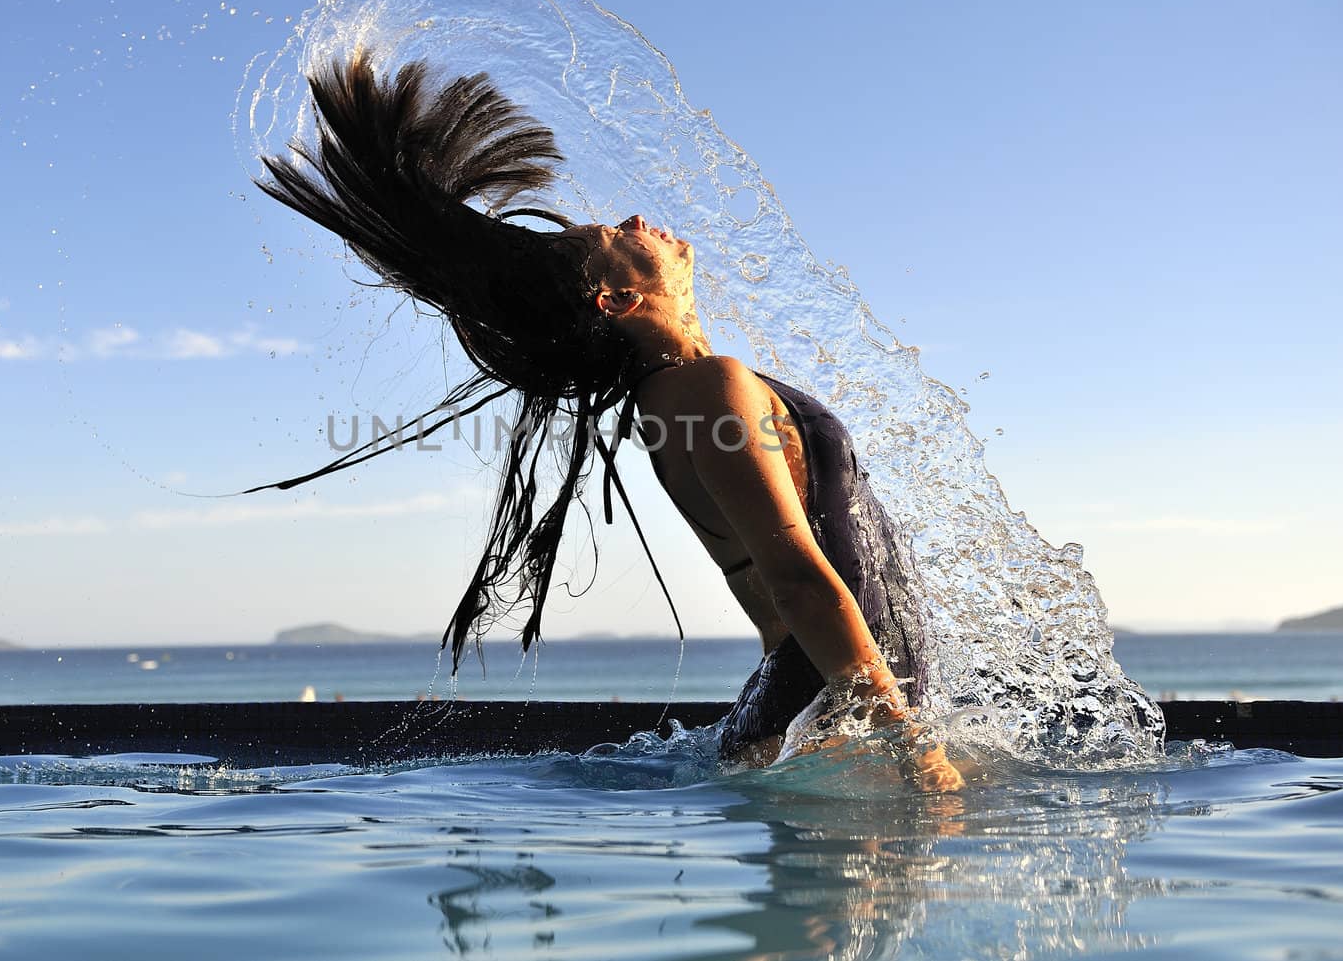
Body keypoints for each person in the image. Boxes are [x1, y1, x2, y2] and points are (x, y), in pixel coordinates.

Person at [251, 52, 962, 791]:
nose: (634, 220)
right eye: (616, 236)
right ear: (617, 301)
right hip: (830, 722)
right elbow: (797, 584)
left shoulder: (683, 395)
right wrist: (919, 751)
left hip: (817, 714)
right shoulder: (707, 390)